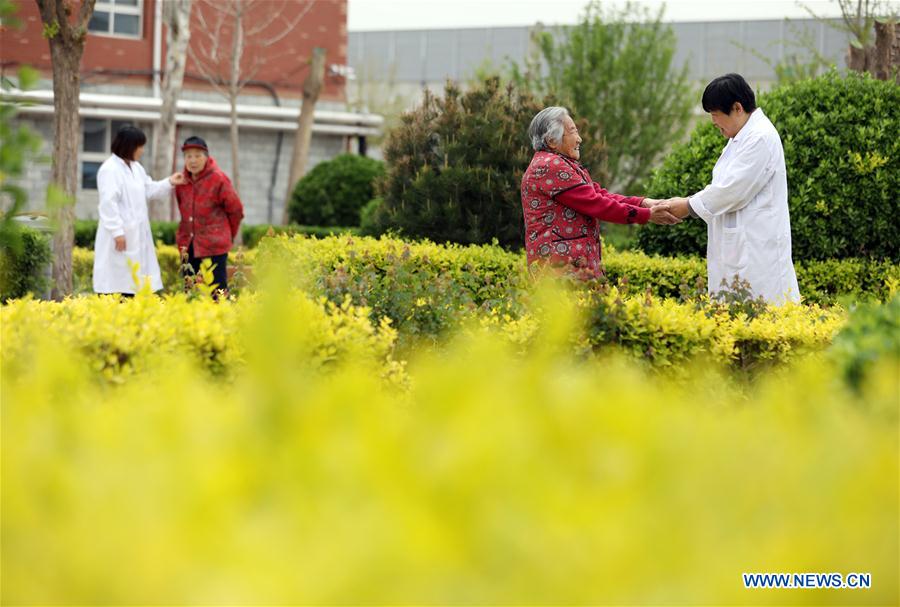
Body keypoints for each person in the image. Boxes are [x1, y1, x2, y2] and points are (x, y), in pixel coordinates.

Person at [667, 74, 800, 304]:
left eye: (716, 114)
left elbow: (730, 190)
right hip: (739, 249)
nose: (713, 121)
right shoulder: (740, 138)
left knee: (760, 318)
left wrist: (687, 206)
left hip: (757, 254)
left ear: (737, 108)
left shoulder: (760, 138)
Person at [521, 106, 680, 279]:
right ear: (552, 140)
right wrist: (646, 215)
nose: (580, 139)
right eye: (573, 131)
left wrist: (643, 203)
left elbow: (599, 194)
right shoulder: (549, 166)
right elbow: (596, 203)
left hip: (573, 270)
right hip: (560, 274)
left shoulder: (561, 163)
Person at [93, 125, 185, 295]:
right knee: (116, 283)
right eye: (140, 146)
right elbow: (108, 203)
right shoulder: (109, 170)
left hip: (136, 233)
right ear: (129, 146)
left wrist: (170, 182)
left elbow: (148, 189)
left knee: (134, 282)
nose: (142, 150)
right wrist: (117, 232)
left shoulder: (136, 168)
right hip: (119, 236)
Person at [174, 136, 244, 294]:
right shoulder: (181, 182)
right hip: (188, 245)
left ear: (206, 157)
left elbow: (236, 210)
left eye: (197, 156)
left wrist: (226, 234)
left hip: (214, 246)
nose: (193, 160)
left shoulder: (218, 179)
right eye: (188, 156)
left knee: (217, 292)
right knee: (189, 291)